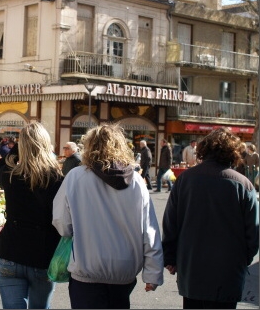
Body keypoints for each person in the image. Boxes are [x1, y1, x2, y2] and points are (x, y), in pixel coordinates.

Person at [52, 124, 164, 309]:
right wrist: (152, 273)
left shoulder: (76, 177)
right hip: (124, 270)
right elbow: (149, 229)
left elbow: (62, 224)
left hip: (87, 268)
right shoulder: (136, 181)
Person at [162, 127, 259, 309]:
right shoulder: (243, 185)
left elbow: (170, 223)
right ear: (233, 152)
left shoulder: (185, 180)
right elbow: (253, 234)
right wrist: (241, 259)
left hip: (192, 269)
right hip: (228, 272)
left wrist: (170, 257)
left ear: (203, 150)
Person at [0, 122, 64, 309]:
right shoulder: (56, 178)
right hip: (42, 254)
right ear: (46, 145)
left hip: (10, 251)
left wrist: (17, 148)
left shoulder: (10, 175)